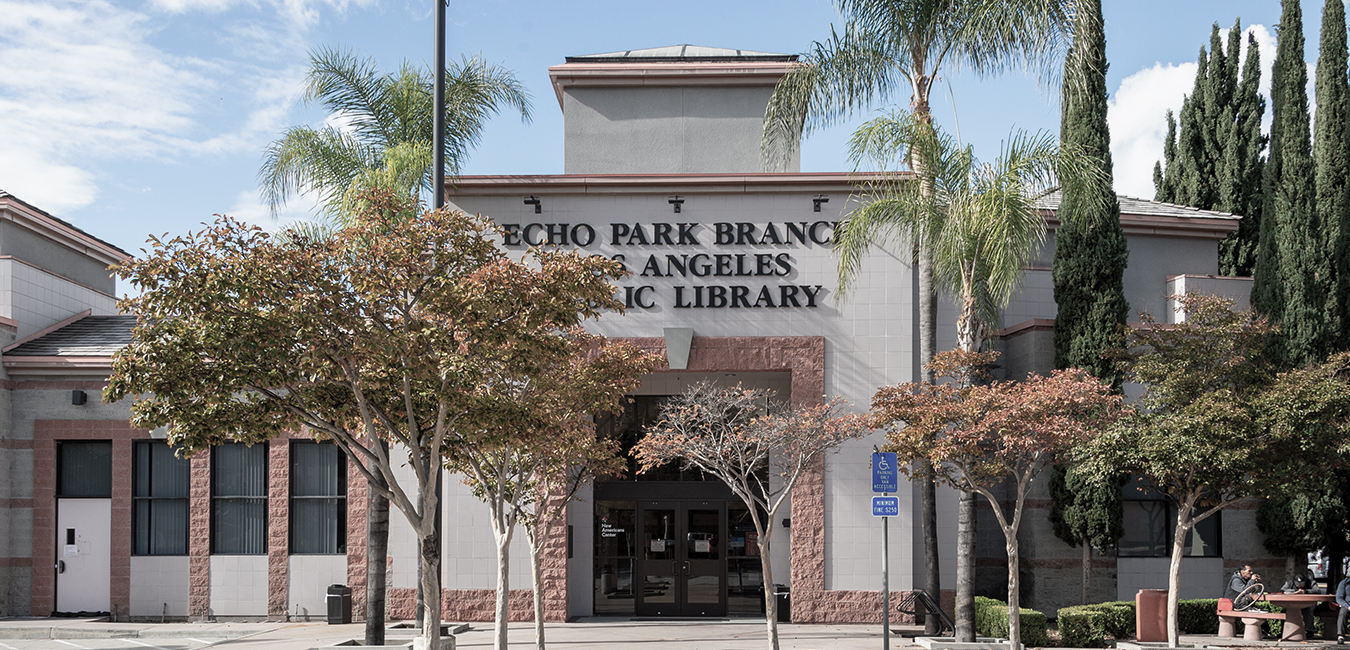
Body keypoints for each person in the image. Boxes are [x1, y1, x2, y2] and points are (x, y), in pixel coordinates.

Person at [1336, 574, 1350, 644]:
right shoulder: (1344, 583)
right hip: (1347, 606)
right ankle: (1340, 636)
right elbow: (1339, 598)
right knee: (1343, 612)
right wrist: (1348, 606)